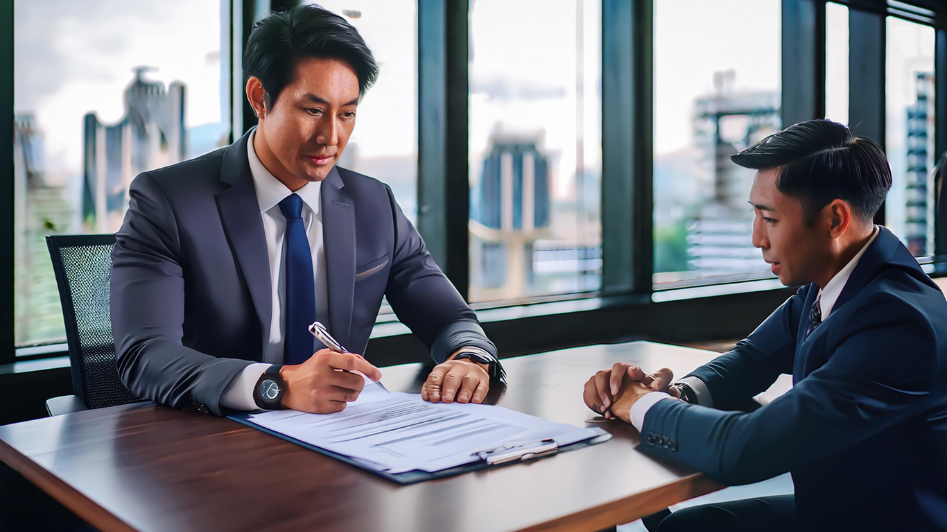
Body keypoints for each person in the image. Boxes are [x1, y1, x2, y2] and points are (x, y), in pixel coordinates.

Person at [111, 5, 502, 417]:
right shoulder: (168, 201)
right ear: (260, 97)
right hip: (211, 442)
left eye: (347, 114)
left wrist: (469, 357)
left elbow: (450, 317)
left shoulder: (374, 205)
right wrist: (275, 385)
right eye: (313, 110)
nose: (331, 136)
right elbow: (145, 355)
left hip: (339, 443)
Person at [583, 119, 947, 531]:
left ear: (835, 220)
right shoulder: (840, 280)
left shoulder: (897, 323)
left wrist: (641, 404)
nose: (757, 238)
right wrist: (677, 394)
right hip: (836, 509)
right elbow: (750, 359)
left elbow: (747, 448)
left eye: (770, 219)